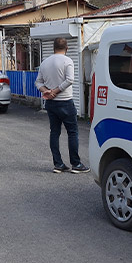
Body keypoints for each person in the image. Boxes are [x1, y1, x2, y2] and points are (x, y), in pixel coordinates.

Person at [35, 37, 90, 174]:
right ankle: (76, 164)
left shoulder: (45, 63)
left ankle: (58, 164)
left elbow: (38, 82)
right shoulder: (67, 61)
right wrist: (56, 90)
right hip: (65, 102)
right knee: (72, 132)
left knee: (54, 132)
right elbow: (70, 80)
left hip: (51, 103)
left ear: (54, 48)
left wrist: (47, 91)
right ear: (67, 48)